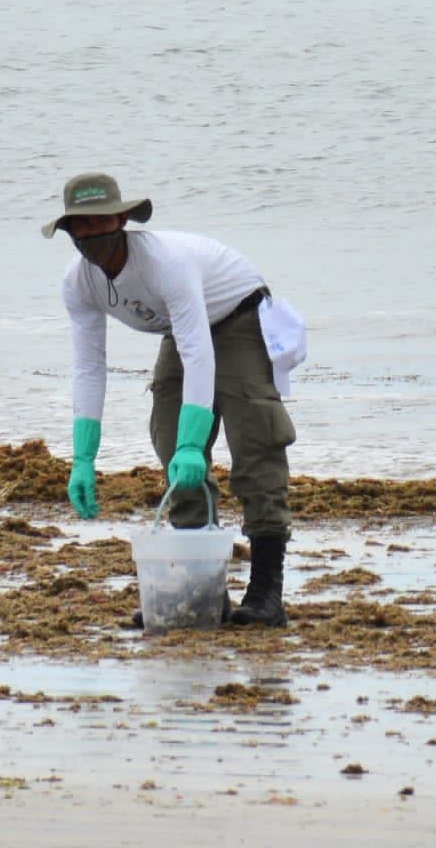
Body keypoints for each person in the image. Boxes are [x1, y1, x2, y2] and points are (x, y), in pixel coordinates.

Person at [43, 172, 305, 626]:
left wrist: (194, 443)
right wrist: (83, 456)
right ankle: (203, 594)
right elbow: (89, 365)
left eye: (100, 222)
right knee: (169, 439)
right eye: (79, 226)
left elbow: (200, 352)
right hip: (181, 332)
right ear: (69, 232)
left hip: (237, 314)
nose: (91, 235)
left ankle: (266, 594)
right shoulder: (78, 282)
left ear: (122, 219)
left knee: (255, 442)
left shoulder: (165, 264)